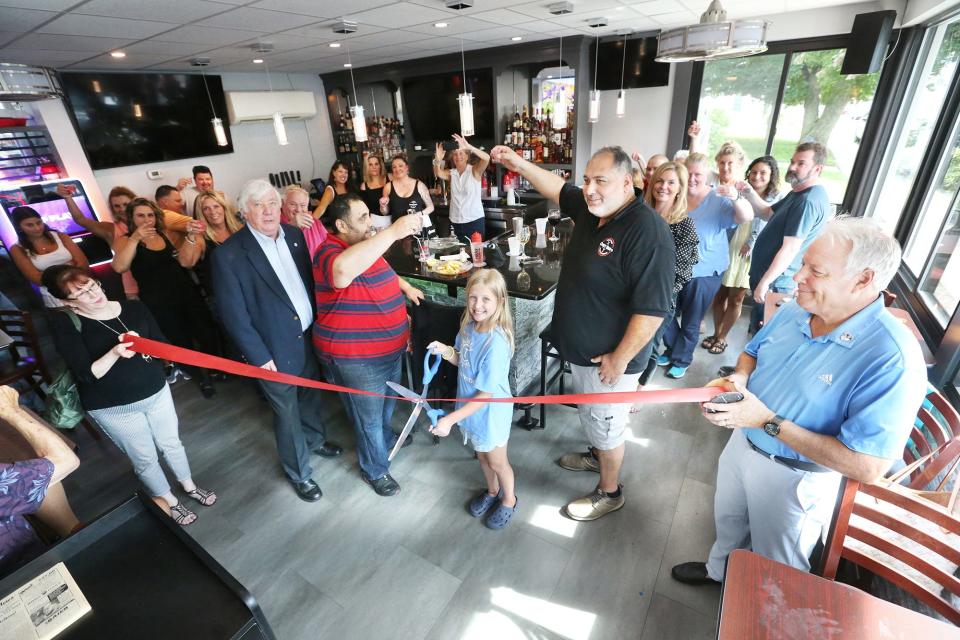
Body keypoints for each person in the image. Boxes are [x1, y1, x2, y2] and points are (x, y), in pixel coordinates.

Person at [670, 218, 927, 585]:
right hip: (742, 442)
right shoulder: (797, 308)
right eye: (803, 263)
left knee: (777, 572)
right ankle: (719, 573)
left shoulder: (892, 358)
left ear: (864, 279)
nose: (797, 277)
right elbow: (752, 353)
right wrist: (737, 379)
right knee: (728, 523)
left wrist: (765, 421)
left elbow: (868, 467)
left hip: (795, 477)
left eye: (816, 271)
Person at [491, 143, 676, 521]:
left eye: (601, 181)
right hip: (584, 351)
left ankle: (610, 491)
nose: (590, 188)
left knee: (608, 426)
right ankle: (596, 455)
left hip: (609, 360)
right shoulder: (594, 211)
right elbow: (556, 189)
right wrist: (517, 162)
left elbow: (653, 309)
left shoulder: (647, 231)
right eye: (588, 179)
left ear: (628, 182)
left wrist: (619, 358)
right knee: (595, 420)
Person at [43, 265, 218, 528]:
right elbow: (86, 374)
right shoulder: (67, 325)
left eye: (92, 285)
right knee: (145, 457)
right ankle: (169, 500)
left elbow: (162, 343)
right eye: (82, 293)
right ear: (68, 302)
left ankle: (189, 485)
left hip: (157, 392)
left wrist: (153, 348)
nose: (94, 294)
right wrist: (116, 352)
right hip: (114, 407)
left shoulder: (134, 308)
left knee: (172, 443)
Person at [212, 179, 341, 502]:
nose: (268, 210)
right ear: (244, 212)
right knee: (286, 413)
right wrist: (258, 357)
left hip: (309, 336)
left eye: (272, 203)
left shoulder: (295, 236)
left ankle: (315, 440)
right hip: (272, 350)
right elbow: (233, 316)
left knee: (311, 396)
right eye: (258, 204)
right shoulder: (228, 255)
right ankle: (300, 473)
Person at [313, 193, 424, 496]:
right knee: (368, 419)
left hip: (389, 348)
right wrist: (394, 231)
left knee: (387, 402)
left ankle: (385, 439)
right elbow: (342, 272)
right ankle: (375, 470)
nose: (370, 222)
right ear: (340, 225)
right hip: (356, 357)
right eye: (362, 217)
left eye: (369, 215)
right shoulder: (327, 251)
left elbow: (383, 269)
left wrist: (406, 286)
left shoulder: (363, 247)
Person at [427, 269, 518, 529]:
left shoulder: (496, 344)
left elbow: (485, 395)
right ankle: (492, 492)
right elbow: (462, 361)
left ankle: (509, 499)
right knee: (481, 456)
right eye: (473, 298)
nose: (478, 306)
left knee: (497, 461)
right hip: (470, 409)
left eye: (486, 299)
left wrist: (449, 420)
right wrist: (446, 352)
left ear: (500, 302)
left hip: (490, 412)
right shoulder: (468, 328)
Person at [112, 198, 221, 397]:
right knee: (180, 341)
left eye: (150, 215)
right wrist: (135, 239)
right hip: (158, 301)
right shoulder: (125, 239)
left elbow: (182, 260)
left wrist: (191, 235)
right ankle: (201, 378)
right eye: (141, 215)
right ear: (131, 218)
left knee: (205, 330)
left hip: (186, 291)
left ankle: (215, 369)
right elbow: (120, 267)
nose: (146, 220)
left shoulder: (163, 233)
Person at [659, 152, 753, 379]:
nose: (692, 179)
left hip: (704, 271)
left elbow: (746, 216)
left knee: (692, 319)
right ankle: (672, 348)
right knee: (664, 314)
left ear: (707, 175)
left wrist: (735, 198)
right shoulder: (676, 197)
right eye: (688, 174)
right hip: (673, 269)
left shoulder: (718, 199)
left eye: (697, 174)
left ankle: (681, 359)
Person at [631, 162, 699, 412]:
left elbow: (679, 272)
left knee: (648, 344)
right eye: (660, 180)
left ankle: (637, 392)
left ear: (680, 188)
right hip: (628, 292)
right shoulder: (640, 214)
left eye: (671, 182)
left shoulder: (684, 225)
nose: (663, 187)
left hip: (659, 300)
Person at [744, 142, 831, 334]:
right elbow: (767, 213)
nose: (792, 167)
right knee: (759, 330)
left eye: (801, 163)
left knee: (765, 333)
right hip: (769, 276)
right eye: (792, 162)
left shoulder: (808, 201)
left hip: (777, 281)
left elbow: (790, 248)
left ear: (818, 168)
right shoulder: (798, 192)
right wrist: (747, 191)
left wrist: (765, 282)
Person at [0, 385, 80, 576]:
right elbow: (67, 460)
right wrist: (12, 411)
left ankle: (72, 530)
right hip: (32, 571)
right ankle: (74, 532)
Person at [705, 156, 781, 354]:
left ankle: (722, 337)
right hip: (729, 244)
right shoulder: (740, 189)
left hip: (750, 252)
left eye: (763, 173)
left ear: (771, 176)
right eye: (754, 172)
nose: (757, 176)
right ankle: (715, 332)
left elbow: (771, 226)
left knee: (736, 297)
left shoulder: (775, 199)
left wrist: (751, 242)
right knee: (719, 295)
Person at [9, 206, 88, 308]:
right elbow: (36, 279)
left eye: (39, 222)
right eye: (30, 225)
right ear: (19, 227)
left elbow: (83, 264)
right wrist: (71, 266)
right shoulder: (17, 248)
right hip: (54, 297)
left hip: (82, 288)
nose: (37, 228)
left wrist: (47, 274)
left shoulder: (61, 236)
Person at [433, 134, 490, 242]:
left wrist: (470, 147)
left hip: (474, 221)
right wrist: (438, 159)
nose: (458, 156)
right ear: (452, 157)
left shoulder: (474, 171)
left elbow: (486, 158)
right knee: (459, 255)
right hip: (456, 222)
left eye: (461, 153)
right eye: (455, 154)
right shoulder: (452, 173)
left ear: (467, 156)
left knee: (475, 255)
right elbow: (438, 173)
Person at [192, 190, 243, 307]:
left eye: (216, 206)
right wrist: (190, 236)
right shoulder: (200, 238)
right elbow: (186, 262)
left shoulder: (240, 229)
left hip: (247, 289)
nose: (212, 212)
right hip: (222, 298)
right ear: (201, 213)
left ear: (224, 207)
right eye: (206, 208)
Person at [381, 154, 435, 223]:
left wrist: (419, 214)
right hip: (397, 228)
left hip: (417, 227)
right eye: (394, 167)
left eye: (400, 166)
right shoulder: (388, 187)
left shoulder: (419, 185)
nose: (397, 169)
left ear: (407, 167)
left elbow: (431, 207)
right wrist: (382, 206)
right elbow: (385, 212)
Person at [281, 185, 327, 258]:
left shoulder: (315, 223)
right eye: (292, 204)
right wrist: (290, 227)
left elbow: (328, 245)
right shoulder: (274, 225)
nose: (298, 210)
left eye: (302, 205)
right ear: (283, 204)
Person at [358, 155, 389, 229]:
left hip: (393, 219)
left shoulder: (390, 178)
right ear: (367, 168)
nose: (374, 167)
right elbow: (365, 209)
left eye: (376, 164)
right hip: (375, 222)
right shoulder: (364, 186)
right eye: (370, 165)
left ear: (380, 166)